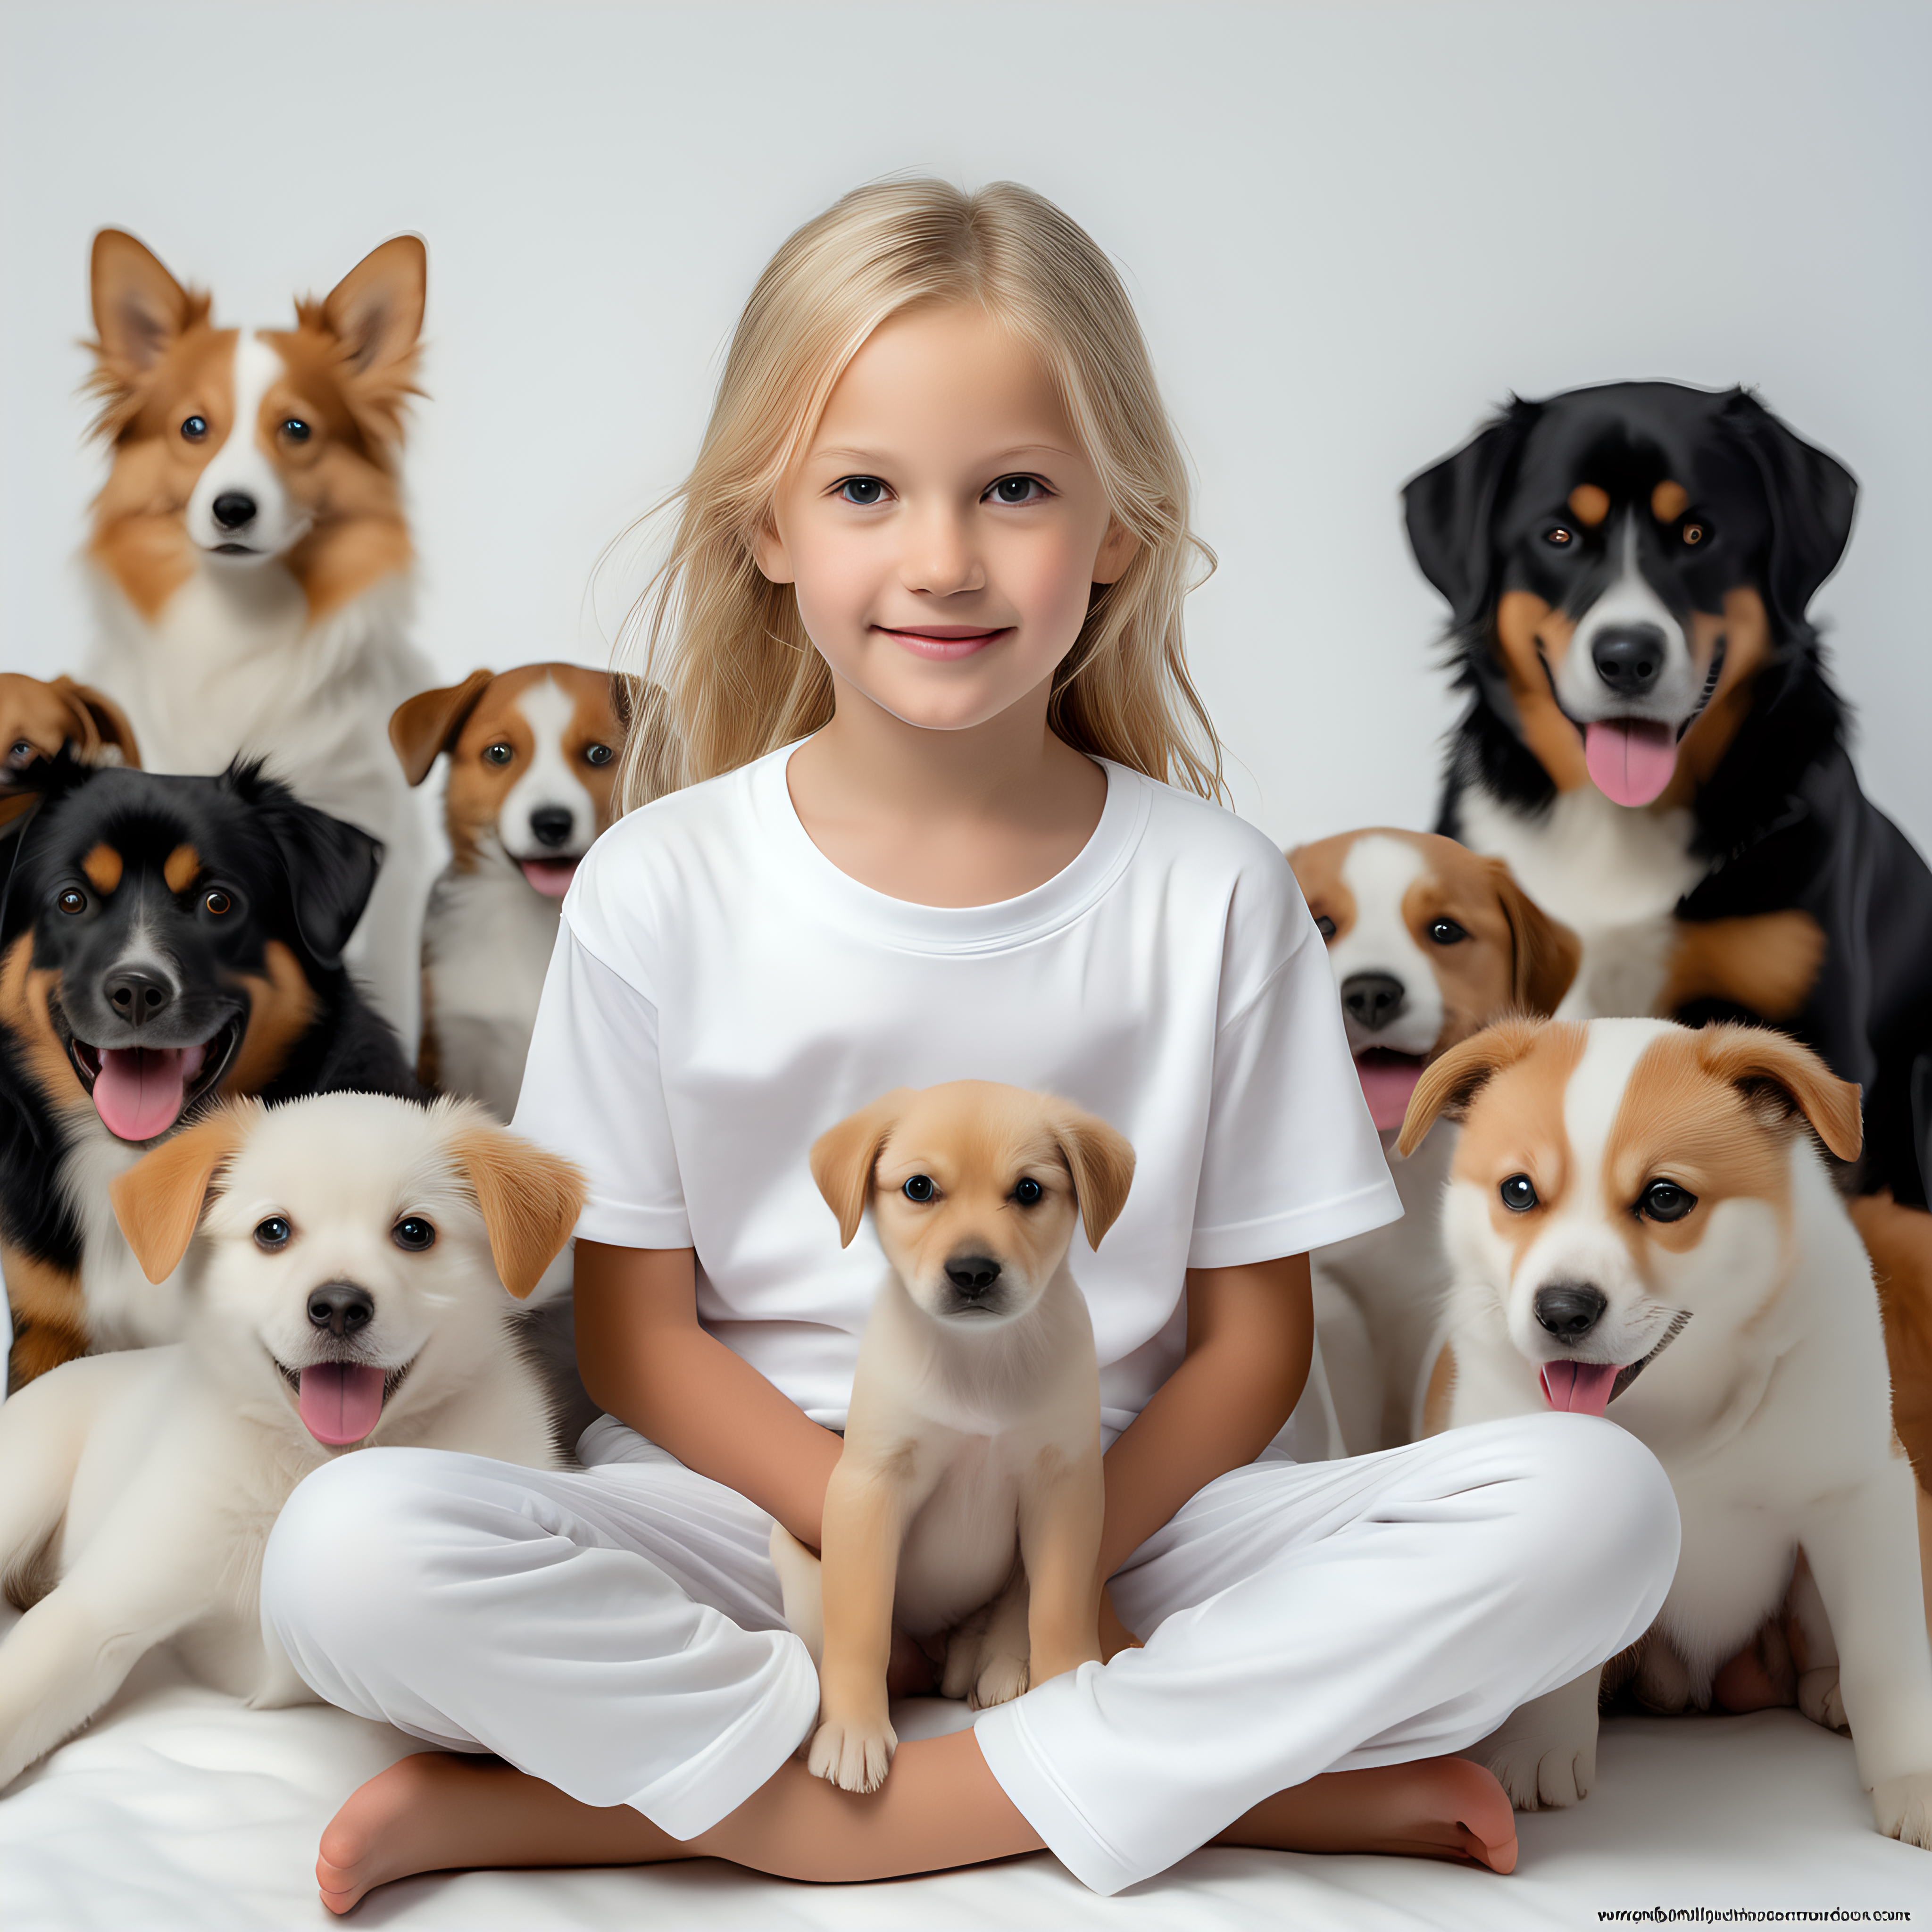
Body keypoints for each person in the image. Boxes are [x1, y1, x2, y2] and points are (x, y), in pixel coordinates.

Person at [259, 178, 1680, 1914]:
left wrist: (1047, 1568)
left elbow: (1251, 1344)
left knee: (1597, 1509)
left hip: (1125, 1514)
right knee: (346, 1557)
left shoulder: (1216, 890)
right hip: (753, 1513)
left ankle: (704, 1806)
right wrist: (873, 1525)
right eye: (866, 488)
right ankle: (1162, 1784)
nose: (943, 557)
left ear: (1118, 534)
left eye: (1015, 489)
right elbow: (630, 1339)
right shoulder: (657, 881)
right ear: (769, 528)